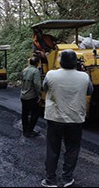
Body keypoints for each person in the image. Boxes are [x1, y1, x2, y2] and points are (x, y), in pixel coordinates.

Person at [41, 49, 93, 187]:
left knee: (52, 149)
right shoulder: (84, 77)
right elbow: (90, 91)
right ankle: (67, 178)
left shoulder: (51, 74)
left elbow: (44, 88)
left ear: (60, 61)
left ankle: (50, 180)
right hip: (75, 119)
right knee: (72, 149)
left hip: (55, 118)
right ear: (75, 62)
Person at [20, 56, 42, 138]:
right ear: (37, 63)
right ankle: (30, 130)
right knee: (35, 113)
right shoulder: (35, 71)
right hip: (31, 96)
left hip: (23, 95)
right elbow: (37, 84)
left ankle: (25, 130)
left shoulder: (24, 70)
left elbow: (22, 81)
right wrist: (39, 95)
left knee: (24, 113)